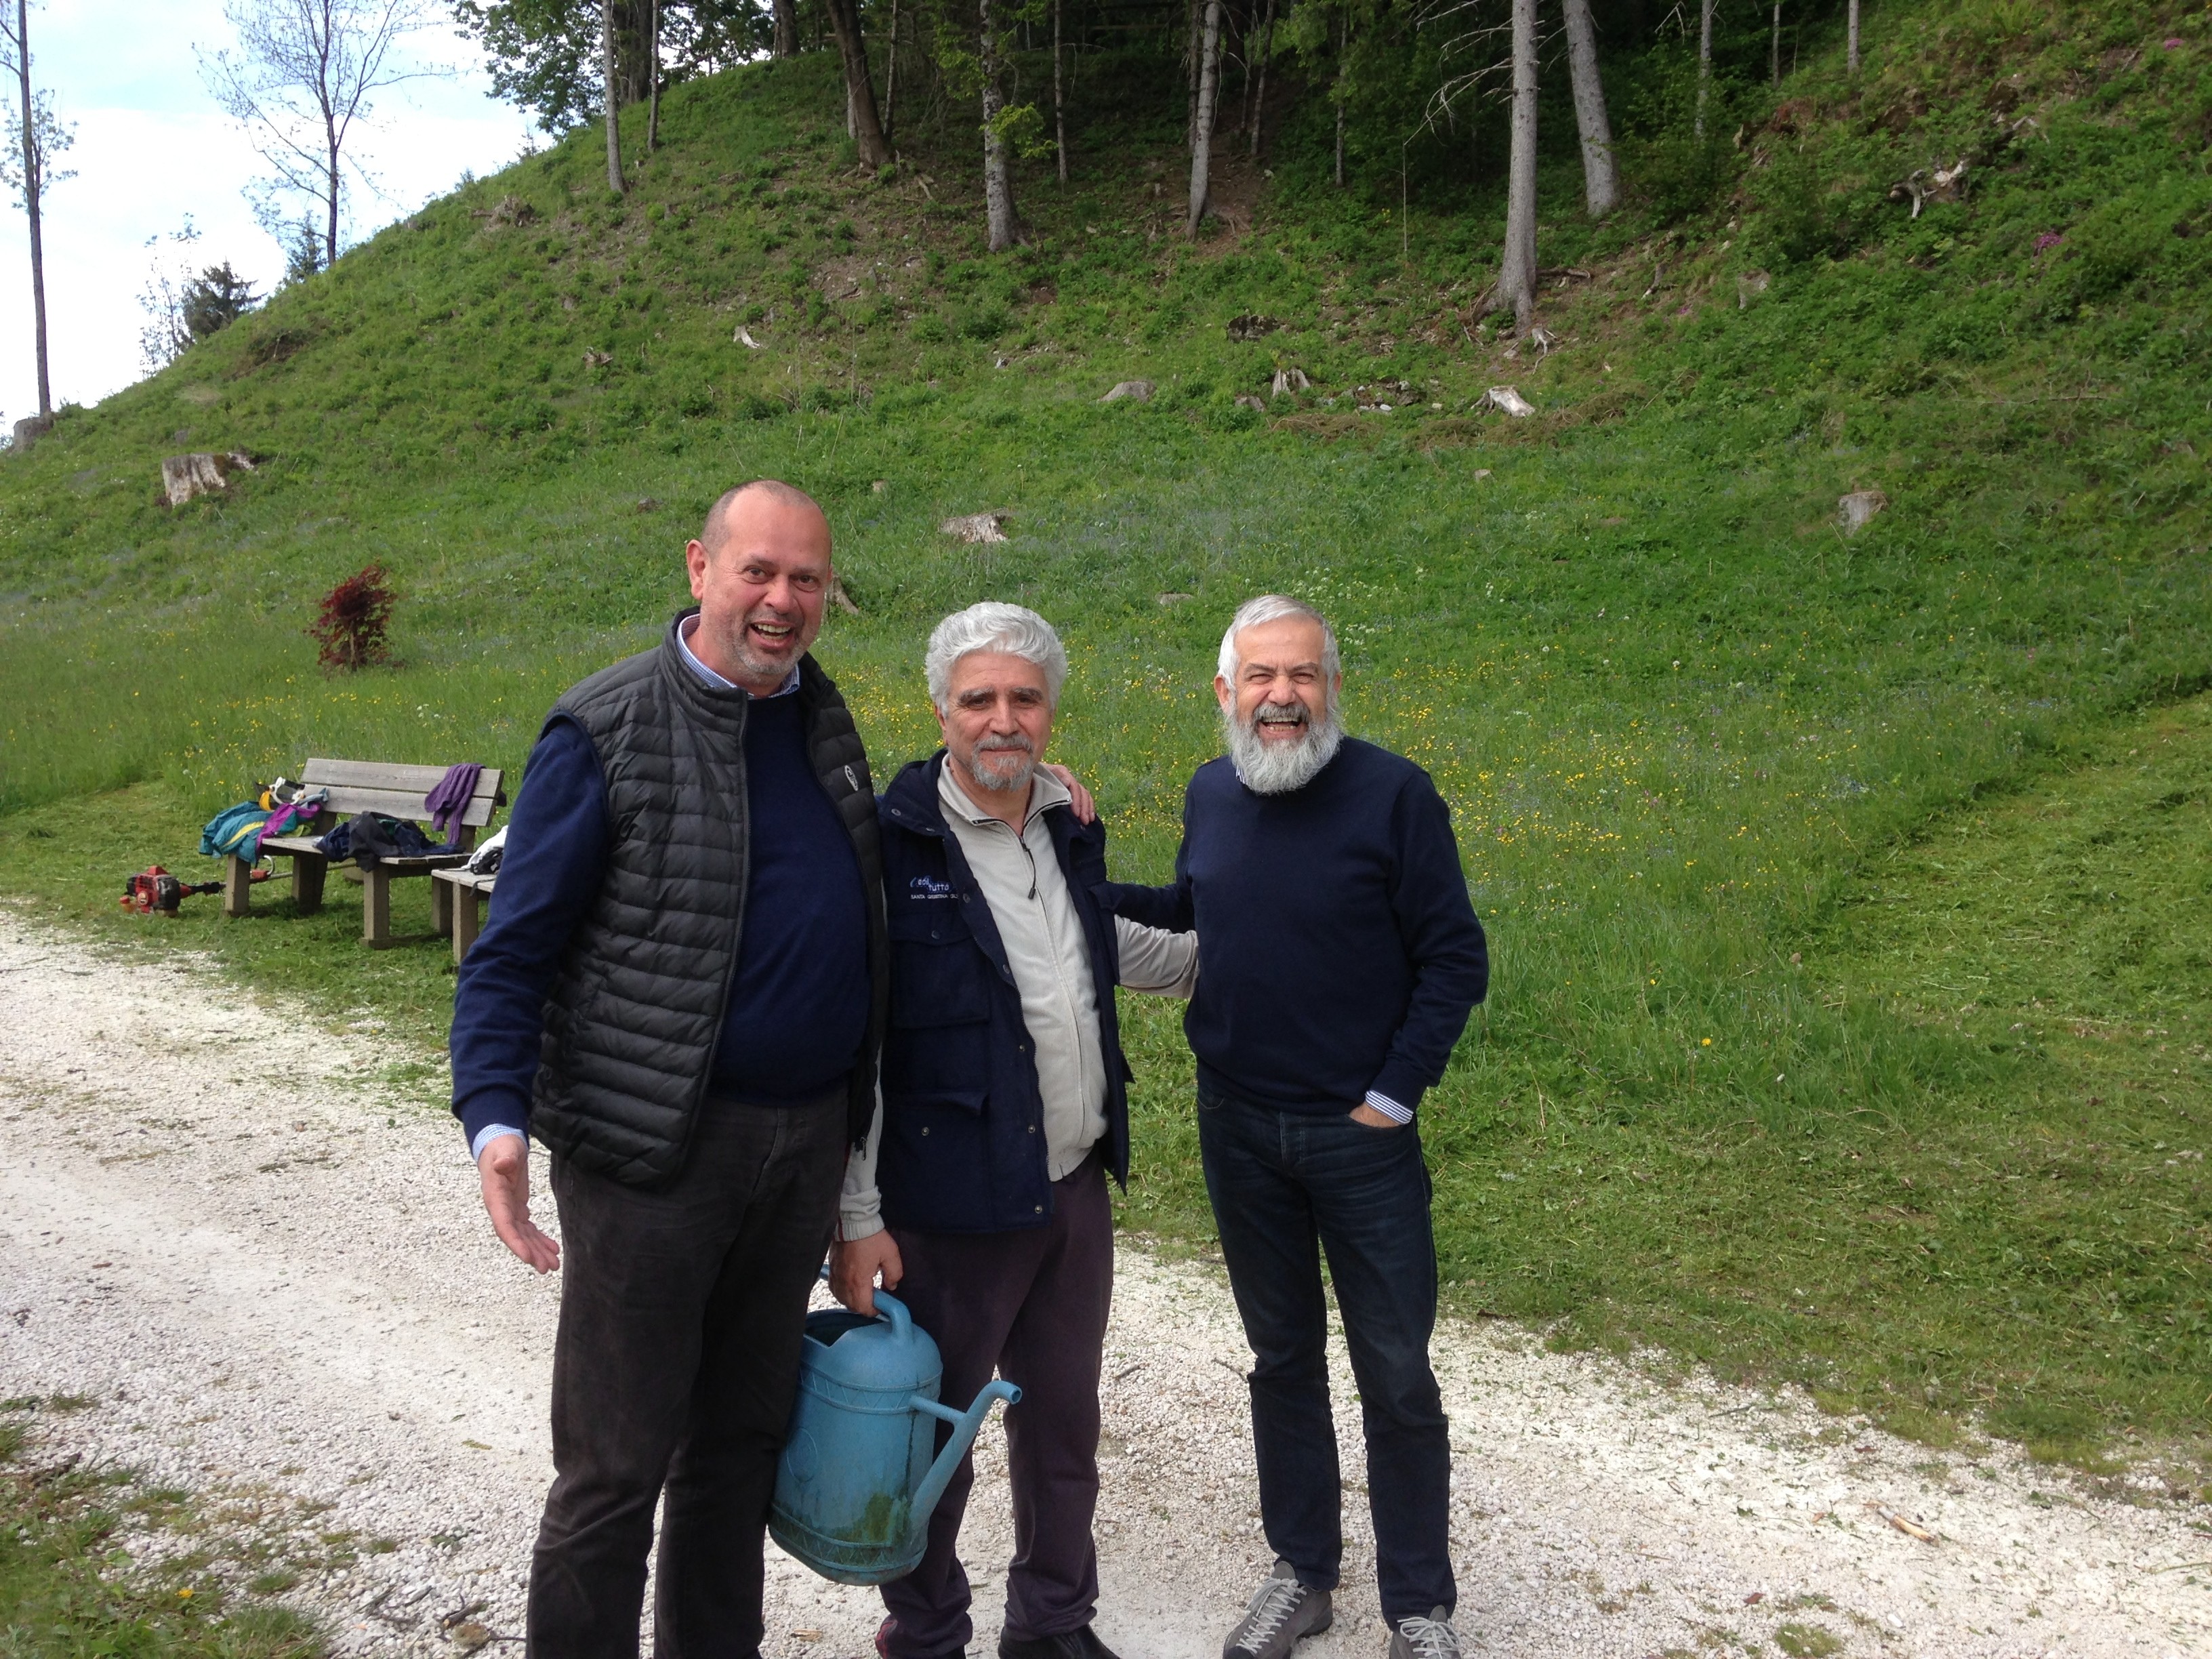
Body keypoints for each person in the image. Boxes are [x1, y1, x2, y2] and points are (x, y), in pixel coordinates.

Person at [449, 479, 887, 1659]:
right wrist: (494, 1117)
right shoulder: (605, 728)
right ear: (700, 567)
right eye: (759, 571)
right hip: (655, 1160)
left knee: (736, 1454)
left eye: (807, 578)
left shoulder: (825, 721)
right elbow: (512, 952)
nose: (783, 600)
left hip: (800, 1150)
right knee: (614, 1469)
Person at [1106, 594, 1489, 1659]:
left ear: (1331, 688)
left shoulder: (1395, 795)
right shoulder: (1211, 791)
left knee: (1396, 1372)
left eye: (1302, 675)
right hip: (1237, 1128)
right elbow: (1194, 910)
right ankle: (1303, 1574)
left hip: (1360, 1141)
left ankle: (1420, 1607)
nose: (1282, 696)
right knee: (1281, 1359)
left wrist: (1393, 1096)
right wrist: (1062, 874)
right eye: (1261, 678)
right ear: (1227, 693)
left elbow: (1455, 957)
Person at [830, 602, 1198, 1659]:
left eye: (1025, 698)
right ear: (940, 710)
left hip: (1071, 1192)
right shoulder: (891, 847)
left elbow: (1094, 947)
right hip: (947, 1208)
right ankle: (925, 1631)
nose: (1003, 719)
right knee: (933, 1442)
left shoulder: (1066, 826)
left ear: (1050, 712)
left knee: (1064, 1432)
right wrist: (856, 1216)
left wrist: (1248, 955)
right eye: (979, 698)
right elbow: (860, 1047)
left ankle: (1051, 1625)